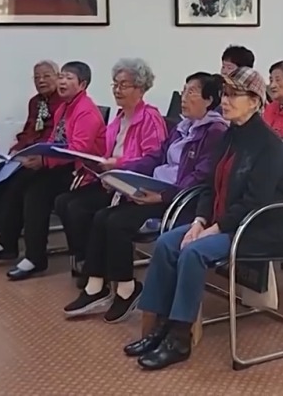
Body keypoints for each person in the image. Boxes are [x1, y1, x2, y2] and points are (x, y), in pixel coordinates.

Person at [124, 67, 283, 371]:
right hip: (218, 221)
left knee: (193, 252)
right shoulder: (229, 135)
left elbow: (255, 202)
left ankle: (179, 338)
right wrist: (199, 221)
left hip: (251, 226)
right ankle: (159, 326)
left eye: (234, 95)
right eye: (225, 94)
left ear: (254, 101)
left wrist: (215, 228)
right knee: (167, 243)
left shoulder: (269, 144)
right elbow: (209, 186)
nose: (225, 101)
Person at [61, 72, 227, 322]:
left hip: (179, 200)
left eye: (192, 92)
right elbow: (156, 157)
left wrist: (162, 196)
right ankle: (95, 286)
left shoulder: (215, 131)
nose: (184, 97)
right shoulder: (183, 127)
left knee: (117, 222)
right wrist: (123, 172)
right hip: (157, 188)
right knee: (102, 216)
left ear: (209, 99)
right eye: (183, 90)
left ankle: (127, 289)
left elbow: (201, 177)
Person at [0, 62, 106, 281]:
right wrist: (34, 155)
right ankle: (15, 245)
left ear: (82, 85)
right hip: (63, 165)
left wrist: (44, 160)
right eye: (62, 77)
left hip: (83, 172)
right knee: (23, 182)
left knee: (37, 192)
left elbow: (78, 150)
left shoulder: (85, 111)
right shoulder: (63, 107)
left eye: (68, 78)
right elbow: (53, 142)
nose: (62, 82)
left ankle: (35, 257)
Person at [55, 58, 167, 277]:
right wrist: (101, 165)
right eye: (115, 84)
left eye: (123, 85)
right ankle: (85, 259)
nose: (117, 90)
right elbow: (109, 153)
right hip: (112, 180)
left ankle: (92, 266)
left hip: (131, 185)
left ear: (140, 88)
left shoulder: (149, 117)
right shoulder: (118, 118)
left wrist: (118, 165)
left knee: (80, 209)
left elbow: (153, 160)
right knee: (64, 202)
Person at [0, 60, 62, 254]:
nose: (41, 81)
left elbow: (54, 137)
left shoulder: (63, 103)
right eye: (37, 77)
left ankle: (4, 237)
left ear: (58, 77)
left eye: (46, 76)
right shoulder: (35, 102)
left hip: (45, 160)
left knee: (16, 182)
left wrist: (31, 154)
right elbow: (29, 130)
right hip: (27, 155)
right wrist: (17, 150)